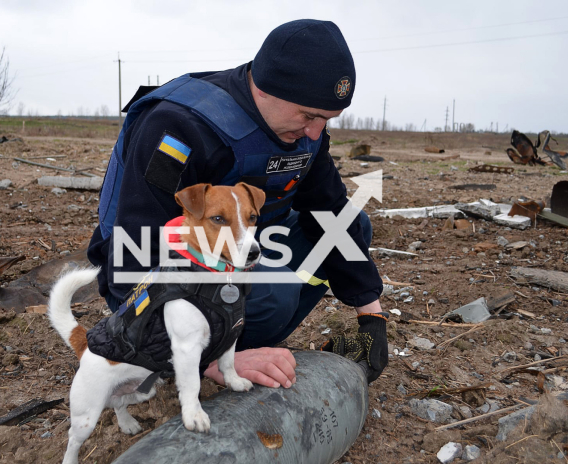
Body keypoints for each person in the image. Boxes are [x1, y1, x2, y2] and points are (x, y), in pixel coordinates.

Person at [88, 19, 387, 389]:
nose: (314, 132)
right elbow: (136, 247)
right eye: (309, 116)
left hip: (242, 246)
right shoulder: (180, 125)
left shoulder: (305, 133)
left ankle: (247, 335)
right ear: (265, 89)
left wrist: (371, 318)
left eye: (326, 121)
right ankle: (205, 348)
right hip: (162, 266)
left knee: (351, 228)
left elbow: (330, 212)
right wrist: (208, 363)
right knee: (275, 292)